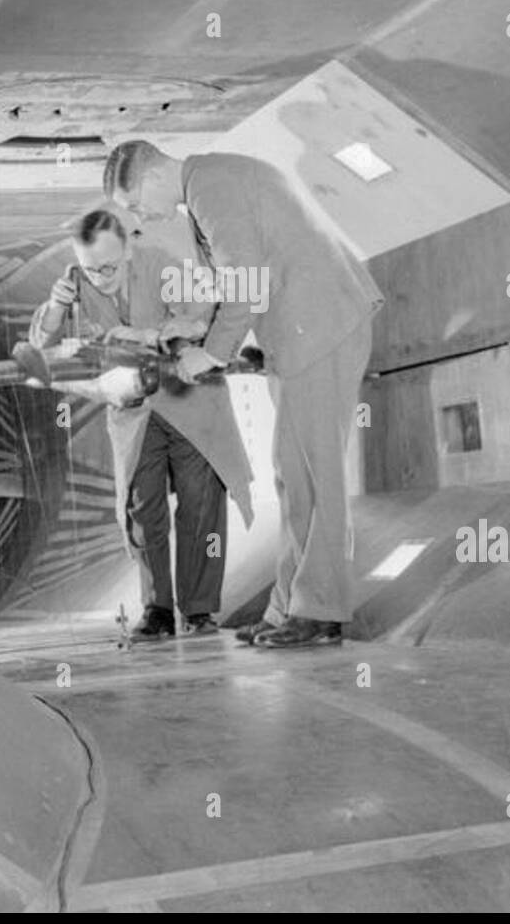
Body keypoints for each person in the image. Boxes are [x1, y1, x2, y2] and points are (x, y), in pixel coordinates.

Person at [103, 142, 383, 649]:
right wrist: (202, 330)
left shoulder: (211, 185)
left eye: (134, 204)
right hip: (299, 332)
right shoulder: (216, 181)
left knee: (316, 473)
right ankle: (288, 609)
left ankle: (321, 611)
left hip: (321, 325)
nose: (139, 216)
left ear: (148, 178)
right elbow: (250, 274)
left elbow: (247, 280)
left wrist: (212, 354)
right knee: (290, 473)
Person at [28, 208, 252, 641]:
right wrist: (56, 305)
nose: (100, 277)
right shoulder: (76, 281)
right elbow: (40, 347)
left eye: (109, 267)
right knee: (142, 510)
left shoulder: (165, 264)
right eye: (92, 269)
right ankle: (157, 610)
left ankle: (200, 612)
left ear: (128, 248)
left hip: (191, 403)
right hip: (135, 411)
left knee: (200, 507)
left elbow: (203, 319)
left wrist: (150, 334)